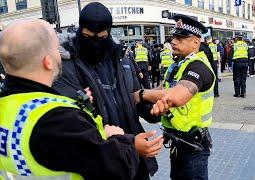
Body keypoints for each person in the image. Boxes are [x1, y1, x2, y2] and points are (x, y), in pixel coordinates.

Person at [0, 19, 141, 180]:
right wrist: (118, 137)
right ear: (48, 62)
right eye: (56, 49)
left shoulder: (6, 107)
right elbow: (119, 168)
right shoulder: (59, 119)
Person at [52, 3, 164, 179]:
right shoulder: (65, 66)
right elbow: (72, 123)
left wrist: (152, 109)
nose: (95, 42)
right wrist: (127, 144)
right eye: (88, 36)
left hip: (133, 159)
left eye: (102, 36)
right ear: (80, 30)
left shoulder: (122, 58)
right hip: (100, 161)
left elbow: (134, 97)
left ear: (109, 33)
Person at [134, 14, 215, 180]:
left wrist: (140, 95)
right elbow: (163, 89)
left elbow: (177, 96)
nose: (173, 41)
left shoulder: (199, 66)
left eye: (181, 38)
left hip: (194, 147)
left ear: (195, 42)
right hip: (178, 144)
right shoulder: (177, 65)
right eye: (174, 37)